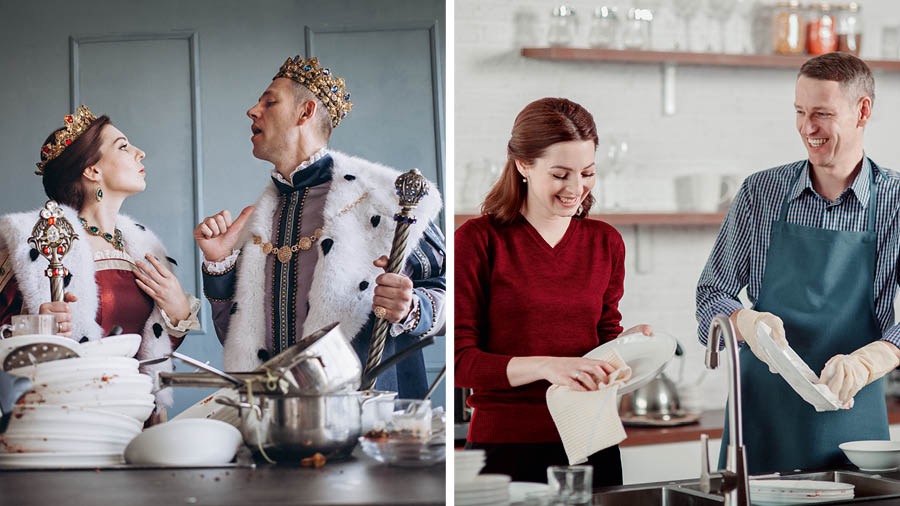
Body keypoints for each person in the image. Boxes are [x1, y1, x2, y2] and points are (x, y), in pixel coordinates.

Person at [696, 52, 900, 474]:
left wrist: (871, 360)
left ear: (863, 111)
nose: (808, 128)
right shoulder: (761, 193)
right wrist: (744, 323)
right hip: (761, 417)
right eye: (800, 112)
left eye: (822, 114)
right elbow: (710, 295)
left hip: (851, 412)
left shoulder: (895, 201)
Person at [194, 56, 444, 397]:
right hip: (276, 421)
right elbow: (236, 341)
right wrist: (219, 266)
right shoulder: (255, 224)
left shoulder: (388, 200)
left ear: (305, 112)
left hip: (365, 418)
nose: (252, 111)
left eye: (269, 102)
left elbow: (453, 297)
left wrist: (412, 307)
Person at [455, 97, 651, 487]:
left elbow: (602, 340)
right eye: (561, 174)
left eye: (588, 172)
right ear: (523, 164)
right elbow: (462, 361)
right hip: (506, 449)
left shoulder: (605, 242)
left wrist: (626, 348)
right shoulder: (479, 241)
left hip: (593, 442)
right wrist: (547, 366)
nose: (576, 188)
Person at [0, 105, 201, 414]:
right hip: (69, 416)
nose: (140, 153)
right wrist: (36, 326)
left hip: (136, 415)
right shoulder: (42, 244)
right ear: (92, 170)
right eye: (123, 146)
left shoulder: (144, 248)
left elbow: (152, 351)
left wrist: (178, 314)